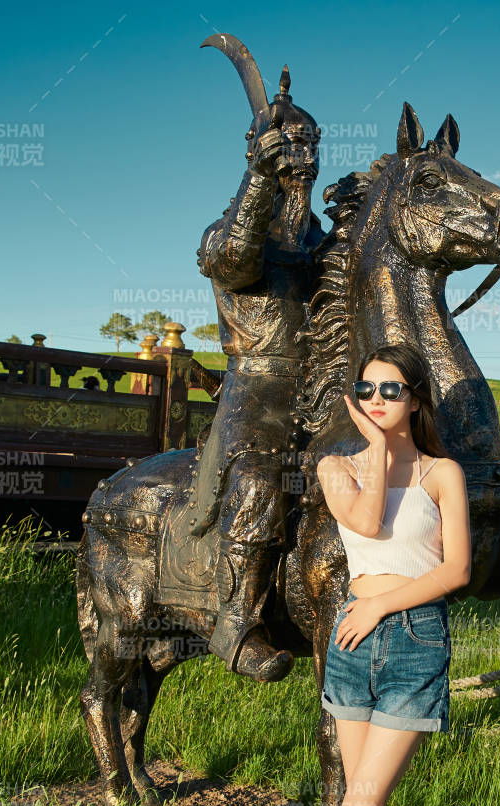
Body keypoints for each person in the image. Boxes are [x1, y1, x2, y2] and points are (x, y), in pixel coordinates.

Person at [315, 342, 470, 806]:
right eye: (368, 389)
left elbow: (455, 570)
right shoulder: (336, 466)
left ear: (415, 399)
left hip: (412, 637)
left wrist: (381, 601)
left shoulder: (442, 473)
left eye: (392, 390)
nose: (379, 400)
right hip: (352, 641)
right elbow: (368, 518)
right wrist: (376, 447)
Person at [192, 64, 324, 682]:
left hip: (323, 391)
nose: (305, 154)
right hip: (258, 391)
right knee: (259, 480)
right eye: (293, 143)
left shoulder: (323, 241)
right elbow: (238, 262)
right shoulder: (228, 232)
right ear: (261, 152)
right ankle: (236, 620)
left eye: (313, 142)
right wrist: (257, 183)